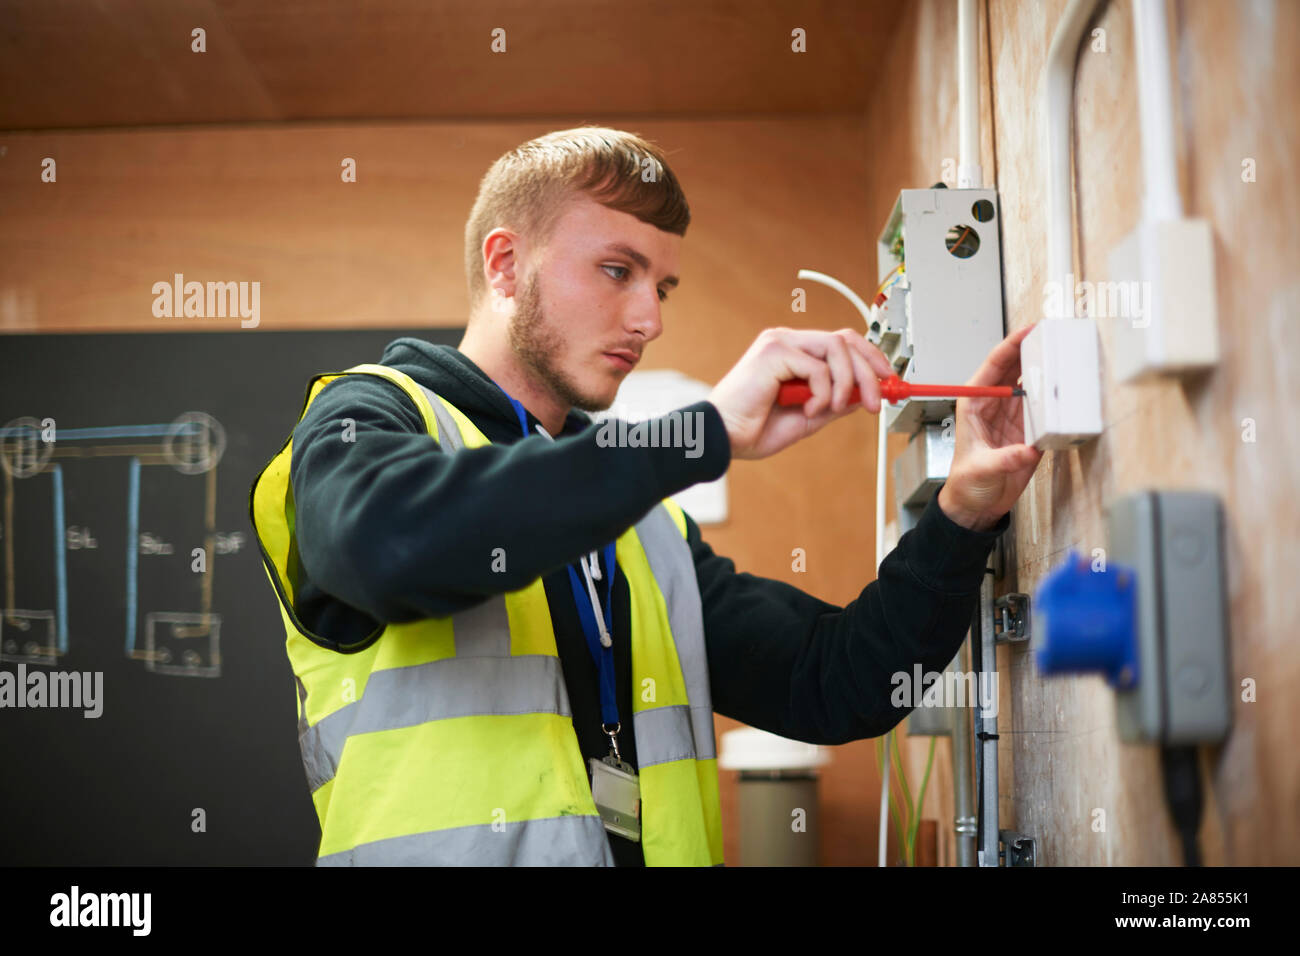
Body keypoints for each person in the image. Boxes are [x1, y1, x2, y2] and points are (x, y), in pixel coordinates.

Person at [249, 126, 1042, 867]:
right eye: (618, 271)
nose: (650, 318)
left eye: (663, 286)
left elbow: (836, 683)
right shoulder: (364, 418)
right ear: (503, 267)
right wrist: (697, 434)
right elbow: (388, 549)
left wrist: (963, 513)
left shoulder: (643, 527)